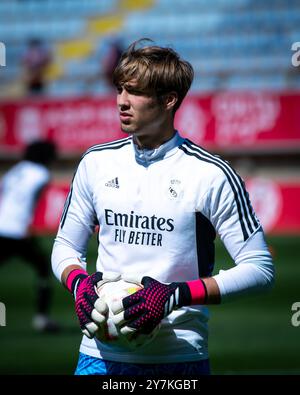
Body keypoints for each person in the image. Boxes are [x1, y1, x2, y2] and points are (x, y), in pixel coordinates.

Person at [51, 39, 275, 375]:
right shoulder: (95, 163)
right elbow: (65, 246)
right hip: (97, 356)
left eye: (135, 92)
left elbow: (259, 268)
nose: (121, 102)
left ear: (168, 100)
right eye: (120, 90)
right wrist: (79, 283)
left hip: (177, 358)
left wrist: (175, 295)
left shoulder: (211, 174)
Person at [0, 140, 60, 332]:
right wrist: (26, 226)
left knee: (42, 265)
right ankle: (42, 320)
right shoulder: (41, 174)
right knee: (43, 268)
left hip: (2, 227)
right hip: (16, 231)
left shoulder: (17, 170)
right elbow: (26, 200)